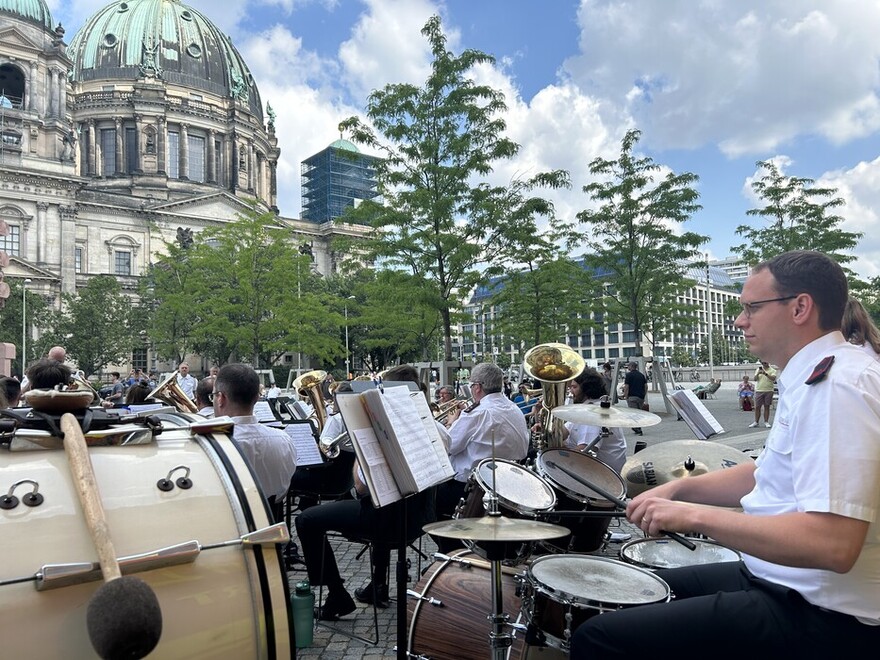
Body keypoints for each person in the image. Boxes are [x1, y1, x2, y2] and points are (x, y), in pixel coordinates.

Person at [571, 250, 880, 658]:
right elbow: (763, 473)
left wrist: (695, 516)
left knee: (597, 636)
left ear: (800, 307)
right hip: (781, 580)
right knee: (630, 587)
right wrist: (675, 493)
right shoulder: (810, 375)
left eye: (752, 307)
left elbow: (833, 546)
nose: (739, 321)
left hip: (824, 613)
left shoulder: (837, 386)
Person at [294, 365, 438, 619]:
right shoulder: (431, 427)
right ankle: (377, 585)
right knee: (383, 500)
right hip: (418, 521)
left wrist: (359, 451)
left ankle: (337, 594)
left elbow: (360, 487)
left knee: (306, 520)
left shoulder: (378, 430)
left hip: (385, 523)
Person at [433, 362, 529, 552]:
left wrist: (451, 422)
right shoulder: (514, 408)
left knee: (428, 509)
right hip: (506, 485)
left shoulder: (477, 413)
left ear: (477, 387)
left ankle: (449, 551)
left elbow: (450, 446)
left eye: (470, 385)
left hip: (467, 488)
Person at [212, 364, 297, 504]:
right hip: (271, 520)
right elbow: (282, 491)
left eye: (214, 395)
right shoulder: (284, 440)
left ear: (221, 398)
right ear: (257, 398)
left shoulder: (214, 445)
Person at [561, 366, 626, 472]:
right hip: (593, 471)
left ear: (586, 389)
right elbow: (564, 433)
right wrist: (550, 418)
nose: (570, 391)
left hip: (602, 477)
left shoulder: (593, 412)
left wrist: (557, 451)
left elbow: (583, 452)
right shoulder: (584, 408)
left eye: (574, 387)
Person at [622, 361, 647, 436]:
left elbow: (627, 387)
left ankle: (638, 428)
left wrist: (625, 396)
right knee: (638, 412)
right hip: (640, 397)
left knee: (633, 413)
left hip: (632, 397)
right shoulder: (641, 375)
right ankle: (637, 427)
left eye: (628, 366)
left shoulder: (629, 375)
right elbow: (646, 386)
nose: (628, 367)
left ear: (631, 366)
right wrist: (644, 395)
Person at [750, 360, 777, 428]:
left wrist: (765, 374)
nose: (764, 364)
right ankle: (756, 422)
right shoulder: (758, 369)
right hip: (759, 389)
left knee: (766, 406)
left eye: (765, 362)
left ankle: (766, 421)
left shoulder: (773, 370)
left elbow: (773, 379)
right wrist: (758, 374)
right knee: (757, 407)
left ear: (768, 362)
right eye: (762, 363)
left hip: (769, 390)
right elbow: (755, 379)